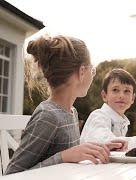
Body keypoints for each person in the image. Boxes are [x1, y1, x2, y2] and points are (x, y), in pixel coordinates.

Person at [5, 35, 127, 175]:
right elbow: (12, 174)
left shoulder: (71, 112)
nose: (93, 75)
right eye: (91, 70)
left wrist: (99, 148)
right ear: (82, 72)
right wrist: (64, 156)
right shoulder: (47, 116)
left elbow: (69, 154)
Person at [80, 68, 136, 149]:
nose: (121, 95)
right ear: (104, 95)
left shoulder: (122, 122)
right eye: (115, 90)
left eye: (127, 91)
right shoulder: (99, 116)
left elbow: (121, 150)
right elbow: (110, 143)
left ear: (133, 99)